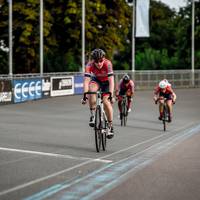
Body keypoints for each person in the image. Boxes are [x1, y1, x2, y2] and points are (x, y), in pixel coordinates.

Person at [81, 48, 115, 139]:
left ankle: (110, 126)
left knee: (106, 101)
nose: (99, 63)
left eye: (101, 61)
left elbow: (111, 81)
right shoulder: (89, 65)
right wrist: (85, 95)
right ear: (93, 61)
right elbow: (86, 81)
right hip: (97, 81)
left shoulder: (108, 64)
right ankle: (93, 115)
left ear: (104, 59)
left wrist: (111, 95)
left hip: (107, 83)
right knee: (92, 90)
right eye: (96, 61)